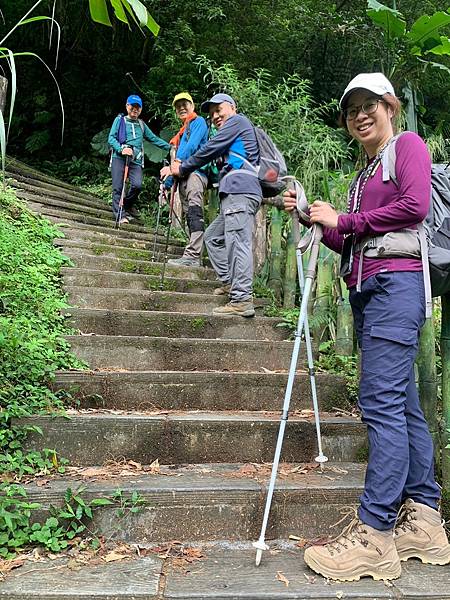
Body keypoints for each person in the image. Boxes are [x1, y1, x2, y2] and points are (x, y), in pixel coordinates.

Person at [284, 72, 450, 581]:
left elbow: (415, 208)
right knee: (400, 403)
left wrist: (346, 221)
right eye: (351, 109)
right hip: (371, 289)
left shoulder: (409, 147)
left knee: (379, 402)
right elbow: (352, 242)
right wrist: (319, 222)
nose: (360, 114)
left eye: (369, 105)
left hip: (397, 290)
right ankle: (424, 519)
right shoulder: (364, 175)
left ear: (390, 107)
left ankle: (374, 534)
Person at [165, 93, 262, 317]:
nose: (216, 116)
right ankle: (230, 282)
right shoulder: (231, 134)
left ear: (233, 108)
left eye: (219, 110)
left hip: (241, 191)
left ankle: (242, 299)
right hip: (235, 193)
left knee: (238, 242)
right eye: (212, 113)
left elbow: (209, 149)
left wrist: (183, 167)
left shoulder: (237, 122)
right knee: (213, 237)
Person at [160, 92, 208, 267]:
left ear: (192, 106)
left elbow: (192, 146)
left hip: (196, 173)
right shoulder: (180, 134)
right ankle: (192, 254)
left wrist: (177, 162)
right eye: (178, 106)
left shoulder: (199, 123)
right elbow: (176, 163)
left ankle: (194, 255)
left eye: (184, 104)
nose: (181, 108)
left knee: (195, 211)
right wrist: (167, 184)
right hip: (182, 177)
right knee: (189, 215)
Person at [108, 94, 171, 225]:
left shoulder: (141, 125)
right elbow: (111, 138)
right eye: (132, 106)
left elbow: (153, 138)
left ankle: (126, 205)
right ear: (127, 106)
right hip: (119, 158)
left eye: (138, 107)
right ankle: (119, 215)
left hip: (135, 160)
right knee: (118, 187)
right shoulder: (120, 120)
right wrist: (121, 149)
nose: (135, 110)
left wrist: (171, 147)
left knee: (137, 185)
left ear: (141, 109)